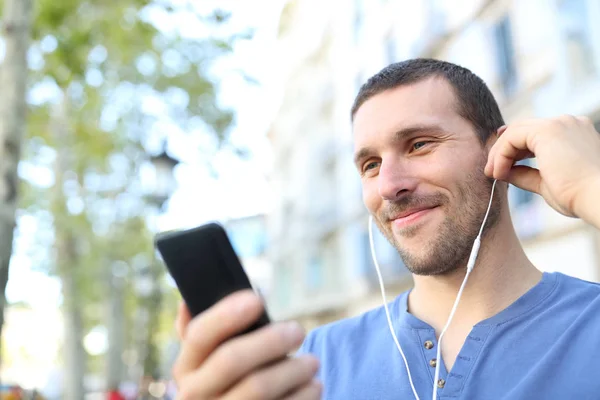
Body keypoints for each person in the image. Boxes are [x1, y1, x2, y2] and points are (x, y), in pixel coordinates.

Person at [170, 58, 600, 400]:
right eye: (370, 165)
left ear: (501, 150)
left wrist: (591, 185)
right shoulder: (313, 362)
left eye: (419, 144)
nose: (390, 186)